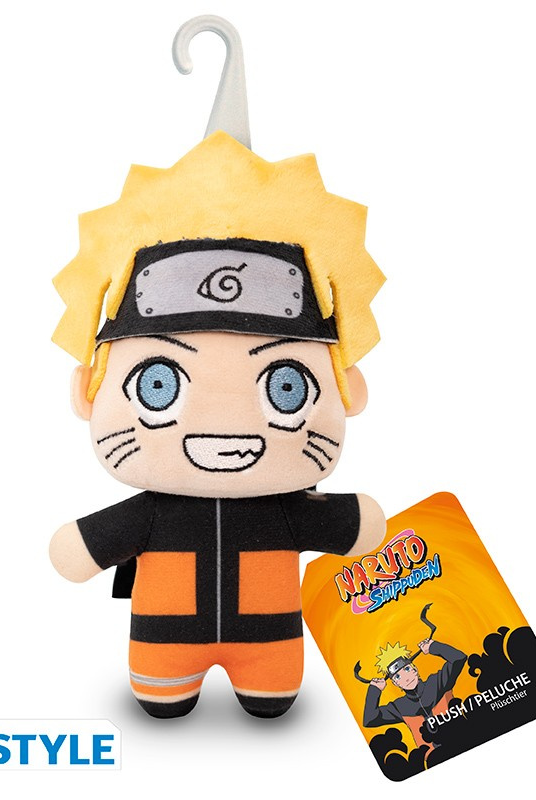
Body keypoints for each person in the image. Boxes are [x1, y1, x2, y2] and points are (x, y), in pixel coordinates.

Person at [48, 132, 387, 719]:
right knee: (168, 693)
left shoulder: (281, 510)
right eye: (157, 384)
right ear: (88, 392)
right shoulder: (155, 514)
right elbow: (80, 551)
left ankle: (248, 687)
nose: (226, 429)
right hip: (168, 641)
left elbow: (353, 527)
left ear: (348, 391)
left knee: (268, 692)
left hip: (268, 640)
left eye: (286, 387)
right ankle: (179, 687)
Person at [363, 638, 467, 747]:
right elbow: (370, 719)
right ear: (395, 683)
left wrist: (433, 647)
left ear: (415, 669)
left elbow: (459, 658)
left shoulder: (436, 683)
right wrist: (374, 690)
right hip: (434, 754)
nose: (406, 678)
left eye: (407, 669)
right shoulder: (400, 707)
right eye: (397, 676)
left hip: (463, 740)